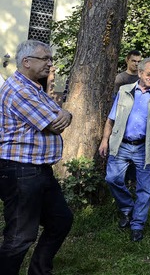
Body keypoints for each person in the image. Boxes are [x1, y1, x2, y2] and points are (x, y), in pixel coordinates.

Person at [0, 40, 74, 274]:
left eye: (50, 59)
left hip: (39, 170)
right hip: (20, 171)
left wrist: (65, 112)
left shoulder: (33, 87)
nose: (50, 64)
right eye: (46, 59)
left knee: (60, 220)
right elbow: (55, 123)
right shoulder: (18, 90)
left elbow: (61, 113)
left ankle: (39, 271)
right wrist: (62, 113)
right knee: (20, 236)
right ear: (26, 62)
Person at [99, 57, 150, 242]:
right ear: (139, 73)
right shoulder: (124, 91)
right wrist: (104, 140)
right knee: (112, 178)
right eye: (149, 74)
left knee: (145, 189)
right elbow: (111, 119)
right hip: (121, 144)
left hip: (146, 148)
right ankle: (126, 207)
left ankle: (137, 224)